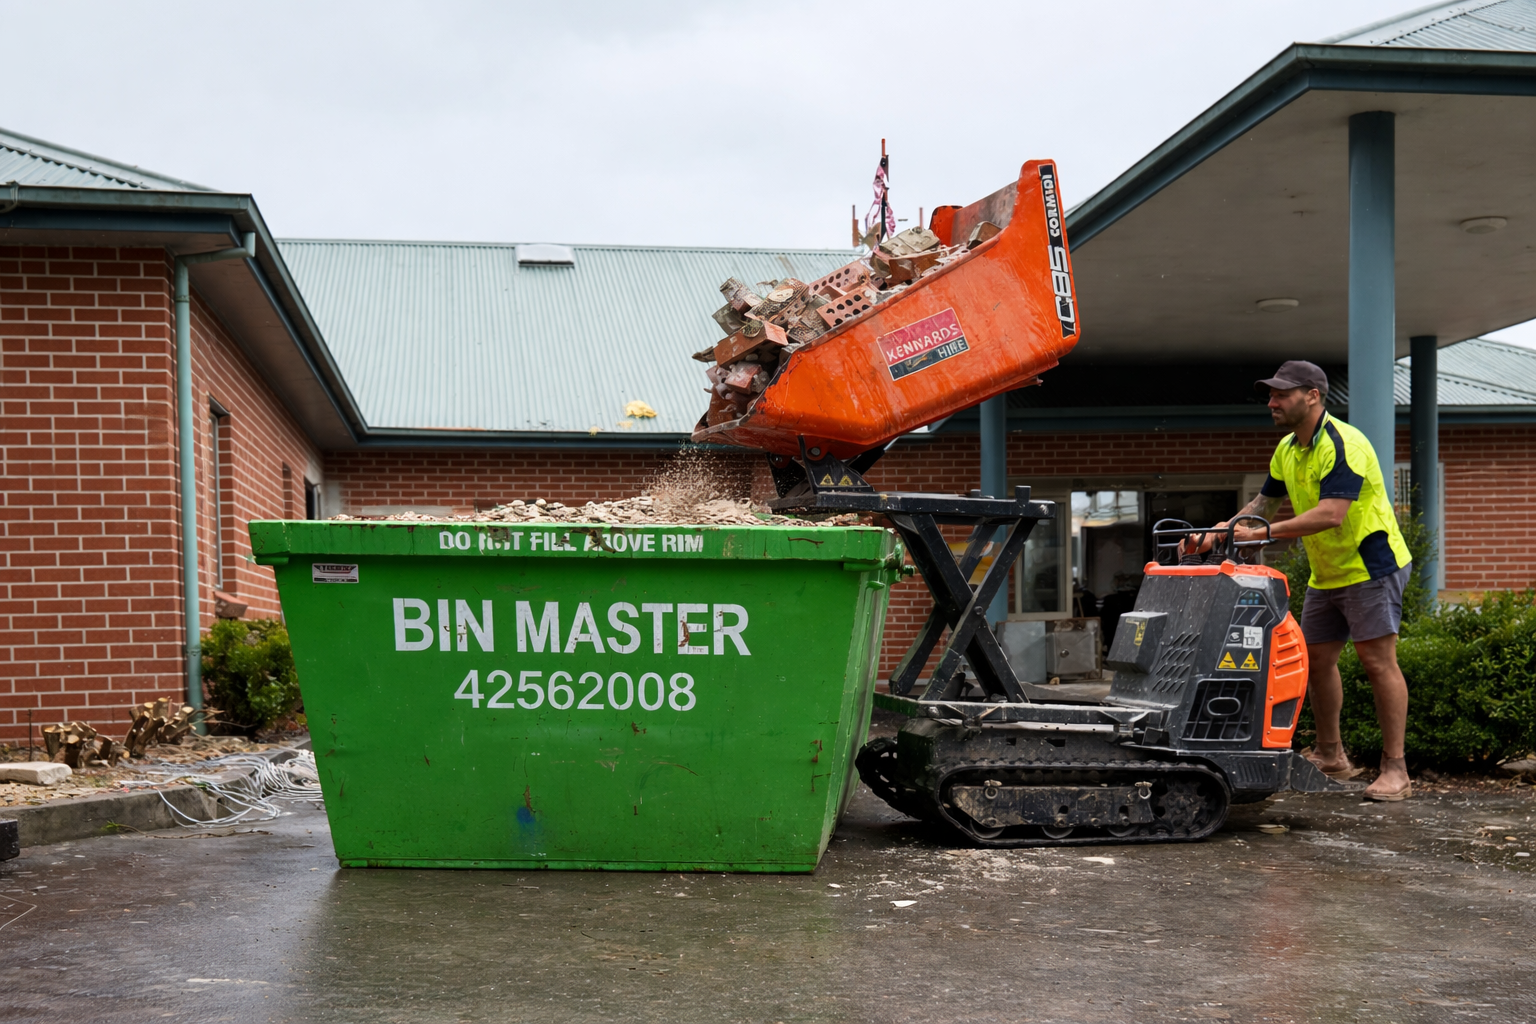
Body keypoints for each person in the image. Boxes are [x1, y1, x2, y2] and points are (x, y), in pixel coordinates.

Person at [1200, 360, 1413, 801]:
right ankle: (1332, 754)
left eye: (1281, 394)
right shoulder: (1287, 449)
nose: (1272, 402)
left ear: (1312, 396)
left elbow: (1331, 514)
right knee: (1315, 661)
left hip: (1371, 566)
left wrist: (1260, 536)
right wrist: (1214, 534)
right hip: (1327, 571)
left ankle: (1396, 770)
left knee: (1377, 664)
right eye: (1271, 395)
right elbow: (1262, 503)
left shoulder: (1344, 443)